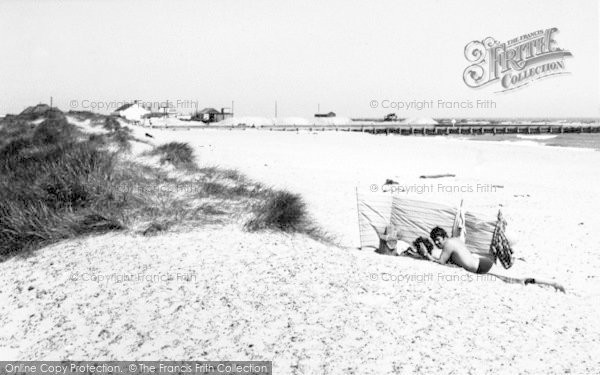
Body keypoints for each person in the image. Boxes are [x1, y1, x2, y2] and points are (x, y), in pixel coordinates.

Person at [426, 226, 495, 274]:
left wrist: (426, 254)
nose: (436, 243)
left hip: (480, 266)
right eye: (434, 240)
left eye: (438, 239)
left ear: (444, 237)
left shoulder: (448, 244)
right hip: (483, 262)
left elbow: (441, 262)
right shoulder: (455, 239)